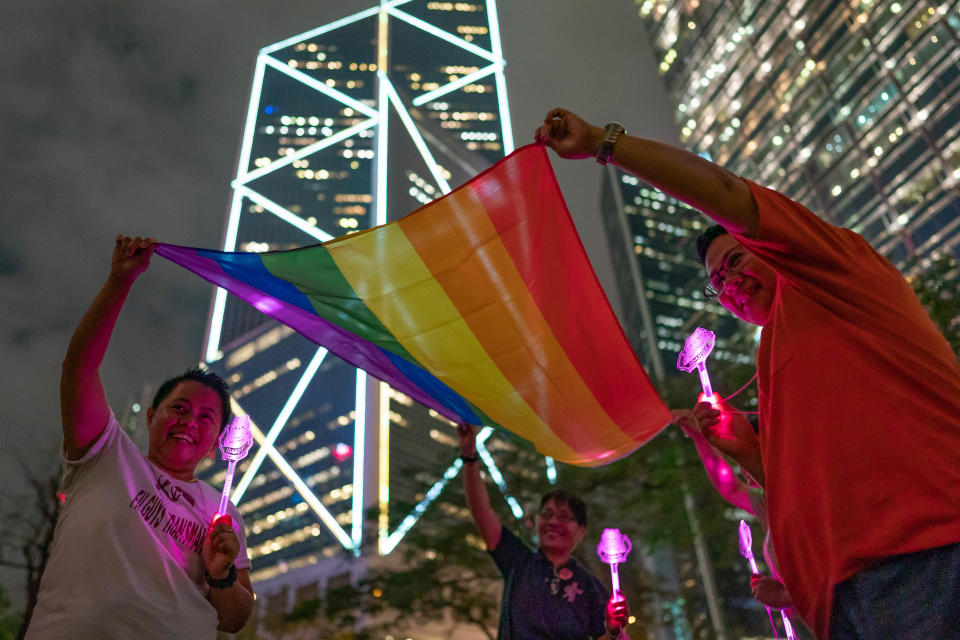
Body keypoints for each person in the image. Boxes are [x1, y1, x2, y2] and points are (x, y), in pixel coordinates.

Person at [536, 109, 960, 639]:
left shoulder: (833, 272)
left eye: (736, 262)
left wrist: (605, 143)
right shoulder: (776, 353)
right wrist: (749, 454)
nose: (729, 283)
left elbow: (728, 194)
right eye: (718, 282)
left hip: (928, 554)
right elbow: (806, 483)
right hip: (842, 597)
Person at [26, 236, 254, 639]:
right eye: (179, 408)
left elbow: (234, 619)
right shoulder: (103, 454)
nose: (190, 421)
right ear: (151, 416)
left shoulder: (224, 514)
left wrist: (222, 576)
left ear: (219, 438)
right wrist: (120, 281)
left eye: (206, 417)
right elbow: (79, 369)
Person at [457, 424, 629, 639]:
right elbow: (482, 513)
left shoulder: (591, 587)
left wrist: (613, 630)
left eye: (565, 517)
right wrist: (469, 456)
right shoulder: (518, 561)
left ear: (581, 531)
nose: (553, 522)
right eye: (546, 515)